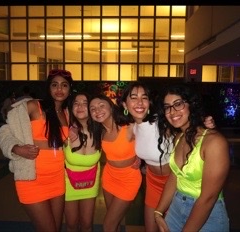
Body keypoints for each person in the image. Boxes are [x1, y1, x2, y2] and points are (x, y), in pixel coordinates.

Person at [120, 81, 215, 232]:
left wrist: (205, 123)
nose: (139, 102)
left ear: (149, 102)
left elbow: (187, 127)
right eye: (133, 97)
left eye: (144, 97)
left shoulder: (162, 121)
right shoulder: (131, 129)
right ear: (125, 105)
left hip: (174, 182)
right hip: (152, 182)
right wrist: (140, 161)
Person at [0, 69, 73, 232]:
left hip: (57, 178)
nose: (59, 89)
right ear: (48, 88)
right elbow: (5, 130)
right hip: (32, 179)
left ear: (69, 89)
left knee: (56, 228)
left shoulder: (66, 113)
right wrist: (16, 148)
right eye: (55, 85)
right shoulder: (33, 106)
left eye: (64, 85)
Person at [154, 84, 230, 232]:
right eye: (167, 107)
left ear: (191, 105)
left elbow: (208, 198)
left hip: (208, 215)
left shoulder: (214, 142)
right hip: (176, 209)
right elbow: (175, 177)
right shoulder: (179, 137)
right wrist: (158, 211)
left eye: (178, 104)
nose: (172, 111)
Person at [89, 94, 142, 232]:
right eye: (93, 108)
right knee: (114, 223)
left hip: (129, 180)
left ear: (111, 108)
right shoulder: (99, 131)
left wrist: (141, 158)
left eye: (101, 106)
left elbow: (149, 140)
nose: (97, 110)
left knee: (108, 224)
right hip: (109, 177)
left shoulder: (129, 127)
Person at [63, 92, 102, 232]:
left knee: (87, 224)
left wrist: (137, 158)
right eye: (76, 103)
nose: (80, 106)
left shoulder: (100, 131)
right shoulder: (64, 129)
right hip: (68, 184)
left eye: (85, 103)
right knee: (71, 225)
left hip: (91, 184)